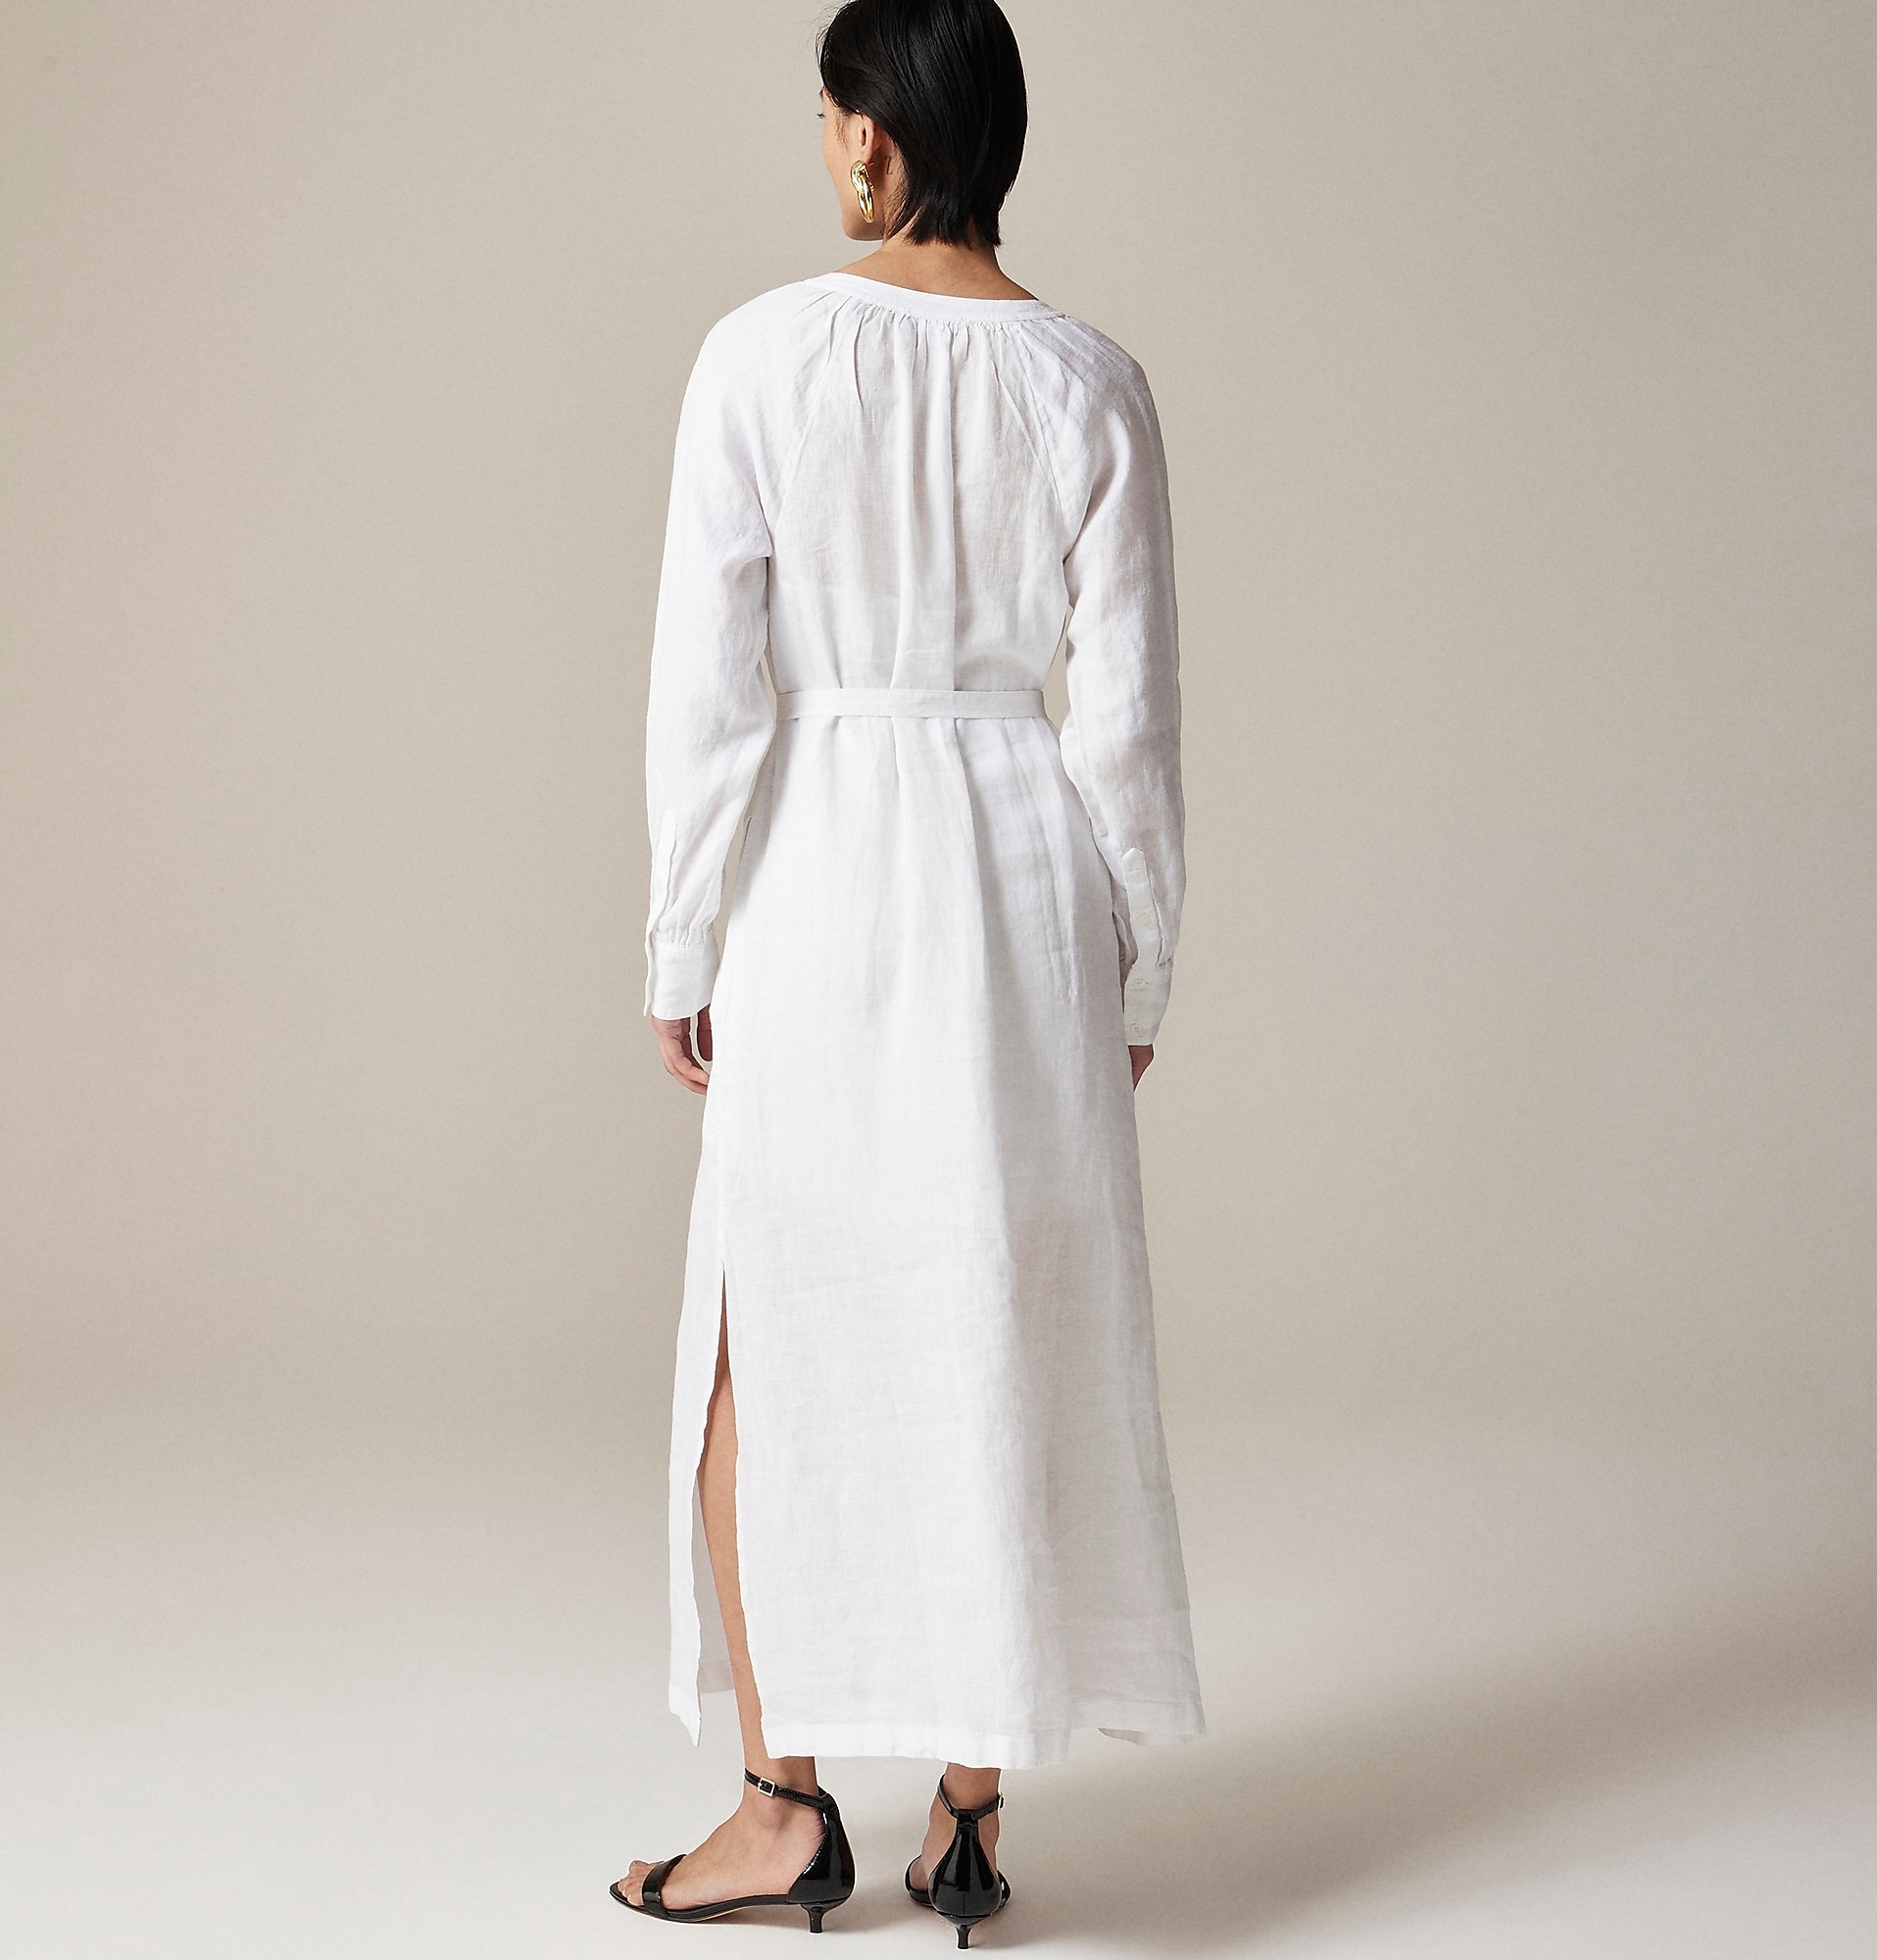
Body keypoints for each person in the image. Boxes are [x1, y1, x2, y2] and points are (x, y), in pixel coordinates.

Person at [612, 0, 1205, 1940]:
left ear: (873, 137)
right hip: (1021, 874)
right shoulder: (1094, 382)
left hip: (825, 870)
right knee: (996, 1304)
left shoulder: (763, 353)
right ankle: (967, 1809)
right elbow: (1128, 722)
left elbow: (708, 684)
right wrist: (1133, 972)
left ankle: (782, 1805)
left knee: (760, 1334)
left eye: (830, 116)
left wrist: (681, 930)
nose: (827, 147)